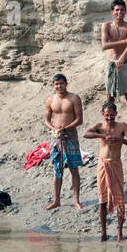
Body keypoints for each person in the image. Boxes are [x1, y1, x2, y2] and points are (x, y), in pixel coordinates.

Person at [83, 99, 127, 242]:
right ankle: (104, 233)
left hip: (116, 164)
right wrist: (103, 136)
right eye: (107, 115)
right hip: (102, 165)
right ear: (102, 114)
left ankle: (119, 232)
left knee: (120, 199)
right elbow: (86, 134)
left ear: (116, 114)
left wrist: (121, 140)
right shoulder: (100, 126)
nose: (109, 118)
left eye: (112, 115)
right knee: (102, 201)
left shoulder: (122, 126)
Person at [44, 73, 84, 211]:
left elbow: (79, 119)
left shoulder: (74, 98)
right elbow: (47, 119)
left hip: (70, 135)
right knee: (57, 169)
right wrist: (53, 129)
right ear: (53, 85)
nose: (59, 86)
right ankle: (56, 200)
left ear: (66, 83)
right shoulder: (50, 100)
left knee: (74, 169)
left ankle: (76, 201)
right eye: (56, 84)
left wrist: (65, 128)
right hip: (56, 137)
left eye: (61, 83)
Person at [101, 0, 127, 138]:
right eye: (117, 10)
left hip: (125, 63)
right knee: (110, 98)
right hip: (111, 64)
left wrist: (122, 58)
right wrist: (123, 41)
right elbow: (104, 45)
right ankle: (109, 128)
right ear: (112, 12)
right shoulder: (106, 26)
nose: (119, 12)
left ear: (126, 11)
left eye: (122, 10)